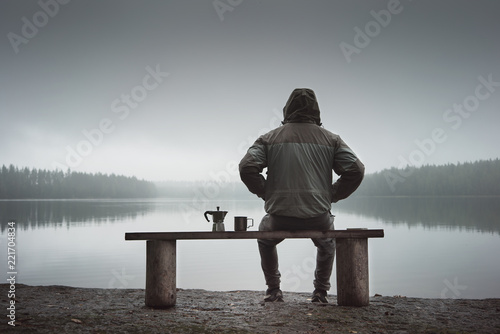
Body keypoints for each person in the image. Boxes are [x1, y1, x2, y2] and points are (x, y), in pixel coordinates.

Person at [239, 88, 365, 303]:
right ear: (316, 110)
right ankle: (320, 292)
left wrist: (265, 192)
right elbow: (356, 170)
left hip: (279, 215)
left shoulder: (269, 138)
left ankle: (273, 290)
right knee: (326, 241)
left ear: (287, 109)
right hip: (318, 215)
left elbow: (246, 167)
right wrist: (331, 195)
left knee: (265, 238)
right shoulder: (331, 139)